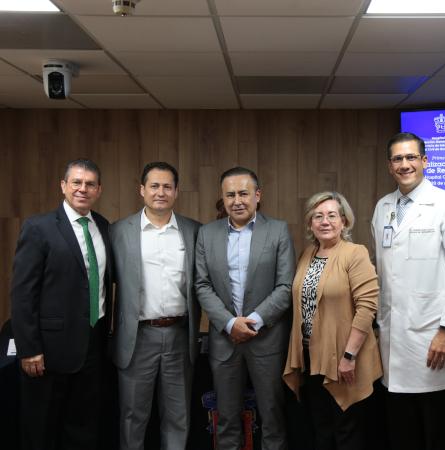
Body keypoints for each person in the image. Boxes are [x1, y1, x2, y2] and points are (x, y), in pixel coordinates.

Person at [371, 132, 445, 450]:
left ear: (425, 161)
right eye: (398, 159)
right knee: (401, 429)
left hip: (431, 336)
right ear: (389, 166)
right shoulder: (383, 207)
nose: (405, 164)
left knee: (435, 428)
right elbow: (382, 270)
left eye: (411, 157)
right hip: (392, 336)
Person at [11, 159, 112, 450]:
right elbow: (23, 294)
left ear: (99, 190)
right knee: (41, 429)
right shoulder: (39, 228)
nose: (83, 189)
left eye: (90, 184)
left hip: (93, 344)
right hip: (48, 351)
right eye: (76, 182)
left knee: (83, 428)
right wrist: (29, 349)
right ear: (63, 186)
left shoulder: (103, 226)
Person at [195, 166, 295, 450]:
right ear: (223, 198)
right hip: (224, 340)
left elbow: (285, 286)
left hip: (267, 339)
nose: (237, 200)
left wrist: (252, 321)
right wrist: (230, 324)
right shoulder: (207, 234)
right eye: (230, 195)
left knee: (272, 417)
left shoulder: (277, 230)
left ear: (257, 195)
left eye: (243, 193)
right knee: (226, 419)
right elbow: (202, 285)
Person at [110, 162, 201, 450]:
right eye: (154, 186)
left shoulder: (194, 231)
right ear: (142, 190)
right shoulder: (118, 232)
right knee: (132, 417)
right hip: (137, 338)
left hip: (179, 335)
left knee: (178, 417)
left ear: (176, 192)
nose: (160, 192)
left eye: (167, 187)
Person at [283, 191, 382, 450]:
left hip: (344, 359)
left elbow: (367, 307)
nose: (324, 221)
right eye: (318, 216)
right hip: (312, 358)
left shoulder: (355, 253)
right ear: (310, 223)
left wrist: (349, 356)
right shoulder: (307, 254)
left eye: (331, 215)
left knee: (346, 431)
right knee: (321, 429)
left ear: (344, 221)